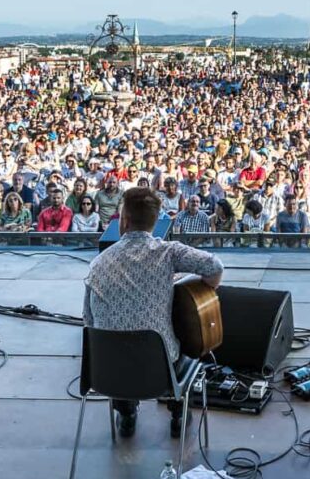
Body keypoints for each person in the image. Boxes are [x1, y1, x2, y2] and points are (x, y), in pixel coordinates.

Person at [84, 187, 223, 438]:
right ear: (156, 220)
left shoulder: (97, 263)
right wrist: (201, 289)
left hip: (106, 372)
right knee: (184, 344)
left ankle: (126, 413)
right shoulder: (169, 252)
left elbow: (88, 321)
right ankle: (179, 412)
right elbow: (215, 266)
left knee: (117, 340)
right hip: (160, 373)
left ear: (123, 221)